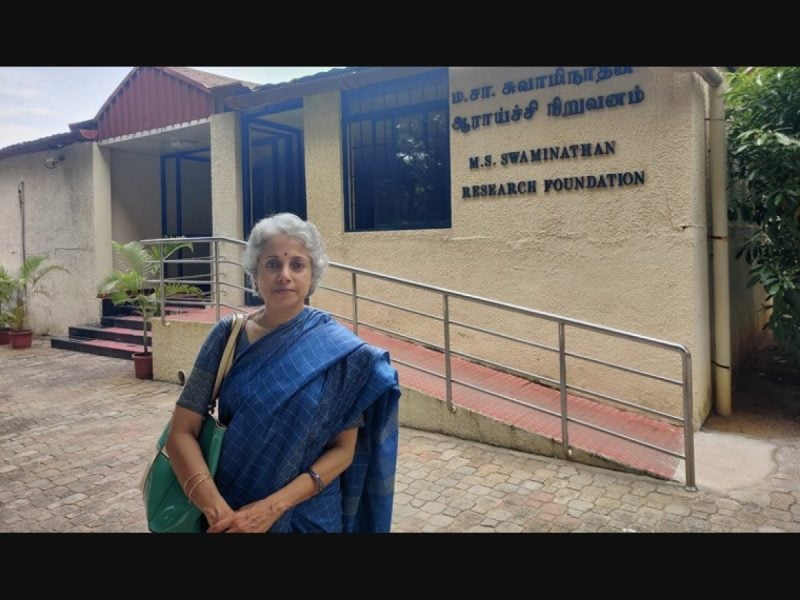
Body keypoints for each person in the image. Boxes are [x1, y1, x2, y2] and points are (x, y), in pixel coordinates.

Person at [165, 213, 400, 532]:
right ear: (255, 274)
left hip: (307, 517)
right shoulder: (227, 336)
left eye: (297, 265)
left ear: (312, 275)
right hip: (228, 508)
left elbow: (344, 449)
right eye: (272, 264)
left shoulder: (341, 352)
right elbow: (182, 431)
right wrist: (219, 513)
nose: (284, 275)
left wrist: (272, 507)